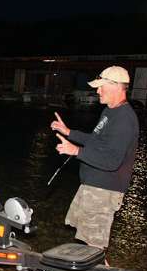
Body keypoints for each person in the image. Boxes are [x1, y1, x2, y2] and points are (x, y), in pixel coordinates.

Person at [50, 66, 139, 255]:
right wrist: (69, 132)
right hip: (93, 187)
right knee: (88, 241)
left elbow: (111, 161)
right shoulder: (109, 111)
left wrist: (75, 151)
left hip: (104, 192)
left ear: (116, 87)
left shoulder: (124, 119)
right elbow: (95, 140)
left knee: (95, 248)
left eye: (101, 86)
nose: (97, 91)